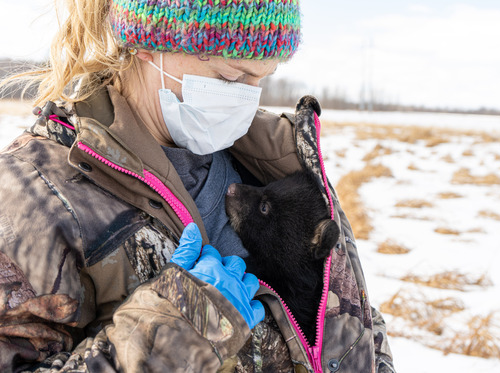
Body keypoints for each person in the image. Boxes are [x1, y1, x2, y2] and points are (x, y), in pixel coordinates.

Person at [0, 0, 396, 372]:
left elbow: (356, 321)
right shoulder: (31, 195)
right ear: (148, 40)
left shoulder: (283, 160)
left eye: (261, 78)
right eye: (230, 75)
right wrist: (171, 338)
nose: (245, 98)